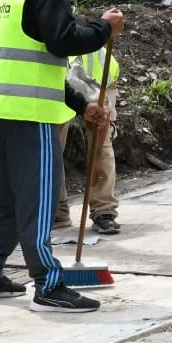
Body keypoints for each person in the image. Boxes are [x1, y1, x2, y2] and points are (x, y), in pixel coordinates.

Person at [0, 0, 125, 313]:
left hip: (2, 110)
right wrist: (104, 28)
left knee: (2, 200)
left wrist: (80, 105)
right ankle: (49, 286)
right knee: (37, 203)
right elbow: (64, 41)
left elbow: (39, 62)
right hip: (32, 115)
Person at [54, 43, 122, 234]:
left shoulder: (96, 72)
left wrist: (97, 159)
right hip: (58, 87)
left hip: (98, 84)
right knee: (51, 147)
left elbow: (102, 124)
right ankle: (57, 211)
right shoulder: (54, 66)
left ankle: (103, 211)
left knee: (102, 146)